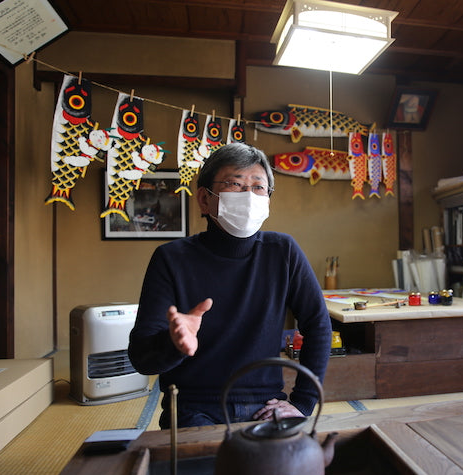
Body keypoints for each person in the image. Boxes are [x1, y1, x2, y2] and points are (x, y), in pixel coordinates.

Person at [128, 142, 332, 429]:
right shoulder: (171, 259)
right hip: (194, 408)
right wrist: (173, 344)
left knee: (299, 469)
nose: (249, 196)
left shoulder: (283, 251)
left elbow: (318, 325)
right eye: (235, 184)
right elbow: (142, 359)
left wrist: (302, 403)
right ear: (204, 199)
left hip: (267, 405)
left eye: (259, 187)